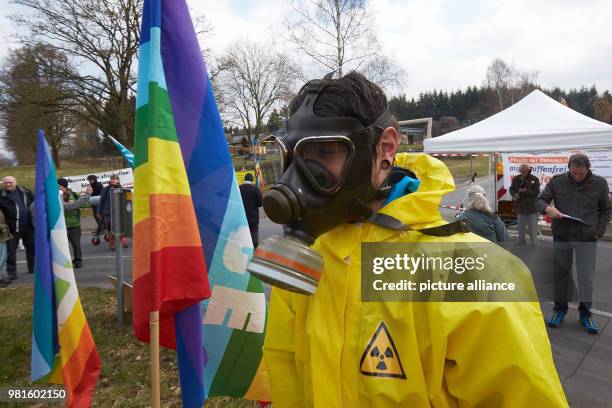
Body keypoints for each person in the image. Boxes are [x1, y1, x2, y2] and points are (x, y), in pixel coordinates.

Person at [261, 72, 567, 406]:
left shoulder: (474, 274)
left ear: (385, 149)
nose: (298, 177)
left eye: (324, 152)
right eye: (293, 157)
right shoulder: (307, 263)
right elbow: (284, 372)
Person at [538, 153, 611, 334]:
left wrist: (599, 230)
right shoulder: (558, 181)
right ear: (569, 168)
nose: (577, 176)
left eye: (581, 173)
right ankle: (559, 310)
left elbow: (605, 209)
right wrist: (547, 208)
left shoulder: (600, 183)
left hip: (587, 237)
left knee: (585, 280)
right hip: (562, 235)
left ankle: (586, 314)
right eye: (574, 173)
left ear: (588, 169)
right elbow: (540, 200)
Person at [0, 176, 35, 280]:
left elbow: (35, 202)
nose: (8, 184)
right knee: (11, 251)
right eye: (5, 183)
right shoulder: (1, 195)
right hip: (11, 228)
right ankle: (12, 272)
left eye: (10, 182)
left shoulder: (25, 191)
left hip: (28, 226)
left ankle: (32, 268)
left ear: (15, 182)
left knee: (32, 247)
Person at [58, 178, 92, 268]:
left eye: (59, 186)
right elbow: (69, 206)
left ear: (64, 187)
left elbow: (82, 204)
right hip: (61, 225)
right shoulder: (56, 196)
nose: (57, 188)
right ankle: (64, 262)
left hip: (74, 224)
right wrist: (84, 197)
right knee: (62, 245)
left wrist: (85, 197)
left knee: (76, 244)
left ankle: (78, 261)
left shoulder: (72, 194)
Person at [509, 163, 540, 247]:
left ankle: (534, 242)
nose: (525, 172)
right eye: (523, 171)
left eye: (526, 171)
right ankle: (521, 240)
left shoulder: (534, 179)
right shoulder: (516, 179)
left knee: (532, 227)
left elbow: (536, 193)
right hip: (520, 206)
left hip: (531, 207)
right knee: (520, 226)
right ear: (520, 171)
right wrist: (514, 195)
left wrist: (526, 190)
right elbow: (511, 189)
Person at [97, 174, 122, 250]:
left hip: (118, 212)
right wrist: (99, 212)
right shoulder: (106, 189)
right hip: (108, 212)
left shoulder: (121, 188)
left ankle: (119, 243)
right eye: (112, 179)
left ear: (118, 180)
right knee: (111, 228)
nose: (113, 180)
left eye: (115, 179)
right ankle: (112, 244)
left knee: (119, 228)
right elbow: (101, 200)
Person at [239, 173, 263, 247]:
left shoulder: (238, 188)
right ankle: (254, 252)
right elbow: (260, 203)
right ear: (252, 180)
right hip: (253, 219)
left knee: (243, 238)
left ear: (244, 179)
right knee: (254, 239)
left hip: (241, 217)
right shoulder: (255, 189)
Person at [0, 207, 13, 287]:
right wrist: (3, 228)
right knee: (1, 259)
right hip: (1, 236)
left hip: (2, 237)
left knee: (2, 259)